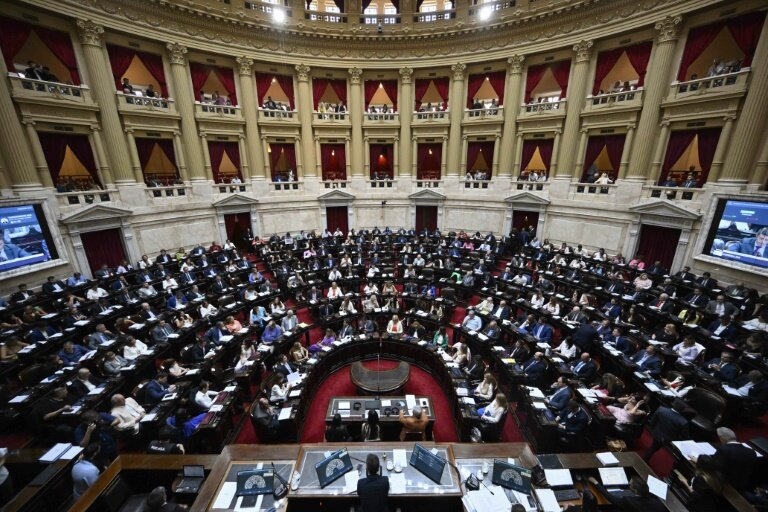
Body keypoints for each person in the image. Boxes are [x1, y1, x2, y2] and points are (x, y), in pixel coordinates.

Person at [710, 427, 757, 492]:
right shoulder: (752, 452)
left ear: (722, 438)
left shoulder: (724, 450)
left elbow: (714, 466)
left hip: (724, 485)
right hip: (744, 486)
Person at [587, 475, 666, 512]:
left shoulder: (628, 501)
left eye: (630, 484)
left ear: (635, 491)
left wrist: (596, 482)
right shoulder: (657, 503)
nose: (628, 483)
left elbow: (610, 497)